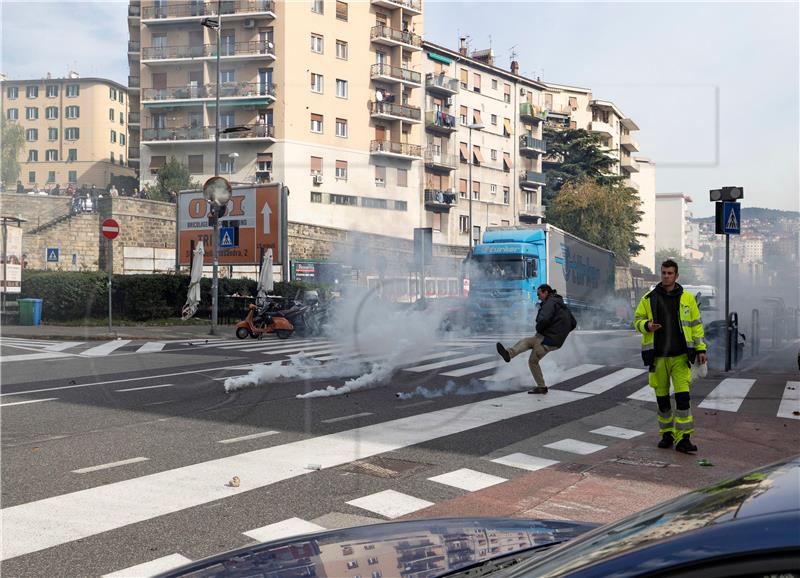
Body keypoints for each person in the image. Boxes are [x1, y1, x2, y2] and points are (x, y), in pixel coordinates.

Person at [634, 259, 707, 454]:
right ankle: (666, 434)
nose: (666, 276)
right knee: (662, 400)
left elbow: (696, 325)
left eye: (670, 273)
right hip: (657, 358)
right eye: (664, 273)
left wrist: (701, 349)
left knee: (683, 398)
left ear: (676, 276)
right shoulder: (648, 298)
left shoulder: (687, 299)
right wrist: (646, 326)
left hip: (681, 357)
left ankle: (683, 438)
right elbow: (637, 320)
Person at [496, 284, 577, 394]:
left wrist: (545, 330)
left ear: (546, 293)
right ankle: (508, 354)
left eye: (539, 294)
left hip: (548, 339)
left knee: (533, 361)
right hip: (547, 337)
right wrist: (560, 332)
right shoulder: (559, 303)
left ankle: (542, 387)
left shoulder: (550, 303)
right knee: (526, 342)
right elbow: (573, 323)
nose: (538, 297)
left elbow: (543, 320)